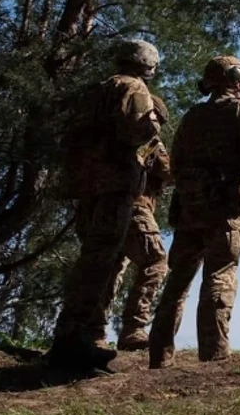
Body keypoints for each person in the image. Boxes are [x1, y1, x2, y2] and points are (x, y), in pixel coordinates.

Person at [148, 55, 240, 369]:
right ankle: (214, 356)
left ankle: (159, 355)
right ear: (235, 78)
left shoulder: (192, 116)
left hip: (188, 210)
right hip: (225, 208)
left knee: (177, 282)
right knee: (220, 275)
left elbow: (175, 163)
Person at [46, 39, 162, 372]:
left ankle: (76, 336)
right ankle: (73, 342)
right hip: (113, 185)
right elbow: (137, 131)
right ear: (147, 64)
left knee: (94, 260)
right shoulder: (132, 87)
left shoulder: (96, 91)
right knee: (101, 263)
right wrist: (154, 123)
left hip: (86, 188)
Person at [93, 94, 173, 351]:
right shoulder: (149, 140)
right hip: (135, 206)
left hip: (102, 207)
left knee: (111, 268)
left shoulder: (111, 135)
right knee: (155, 260)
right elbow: (168, 171)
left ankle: (92, 331)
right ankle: (134, 328)